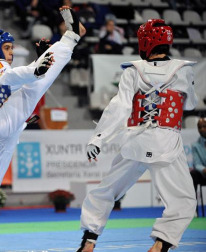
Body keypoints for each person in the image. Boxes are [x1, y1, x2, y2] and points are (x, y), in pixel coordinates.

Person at [0, 6, 86, 252]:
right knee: (34, 86)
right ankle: (70, 37)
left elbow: (7, 84)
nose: (10, 52)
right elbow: (9, 78)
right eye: (7, 48)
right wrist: (35, 68)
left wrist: (35, 66)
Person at [77, 19, 198, 252]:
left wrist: (98, 139)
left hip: (135, 141)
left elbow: (119, 107)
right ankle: (161, 244)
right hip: (166, 142)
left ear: (146, 43)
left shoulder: (133, 71)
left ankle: (88, 241)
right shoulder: (184, 70)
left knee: (105, 191)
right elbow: (190, 104)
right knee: (182, 200)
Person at [190, 117, 206, 198]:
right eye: (199, 127)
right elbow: (197, 164)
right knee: (193, 174)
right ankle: (193, 208)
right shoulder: (195, 146)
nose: (202, 129)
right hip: (204, 174)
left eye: (204, 126)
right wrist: (203, 169)